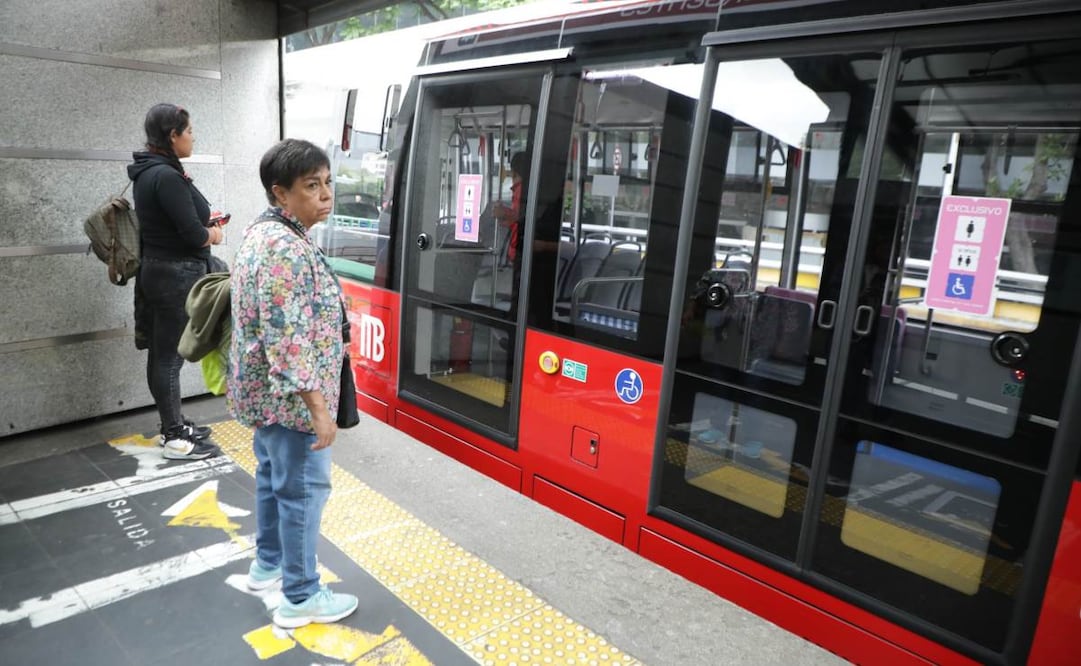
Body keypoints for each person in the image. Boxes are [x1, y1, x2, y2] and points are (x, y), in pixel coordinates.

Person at [227, 138, 358, 628]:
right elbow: (289, 339)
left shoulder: (268, 234)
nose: (325, 195)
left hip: (268, 397)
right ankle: (301, 595)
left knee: (273, 481)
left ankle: (268, 565)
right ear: (280, 194)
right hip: (292, 402)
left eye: (327, 183)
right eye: (311, 186)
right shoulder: (284, 248)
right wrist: (319, 409)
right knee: (302, 491)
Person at [128, 103, 223, 460]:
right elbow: (192, 234)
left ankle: (175, 422)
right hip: (175, 274)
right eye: (189, 130)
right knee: (168, 357)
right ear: (173, 135)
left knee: (162, 354)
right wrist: (213, 234)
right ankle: (173, 436)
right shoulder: (165, 176)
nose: (193, 136)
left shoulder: (150, 171)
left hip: (160, 270)